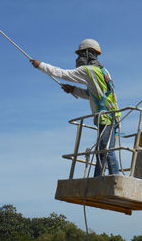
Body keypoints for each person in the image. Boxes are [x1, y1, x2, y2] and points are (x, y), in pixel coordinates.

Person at [30, 39, 120, 177]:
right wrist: (73, 90)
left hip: (106, 117)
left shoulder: (88, 70)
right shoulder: (103, 71)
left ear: (88, 54)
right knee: (102, 151)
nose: (78, 58)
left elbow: (62, 74)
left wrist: (40, 65)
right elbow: (91, 95)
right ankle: (98, 179)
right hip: (112, 116)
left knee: (105, 150)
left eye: (80, 54)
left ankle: (115, 177)